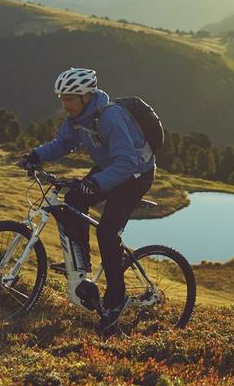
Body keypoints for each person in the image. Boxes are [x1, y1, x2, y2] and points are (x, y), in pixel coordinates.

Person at [20, 67, 156, 334]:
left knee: (107, 233)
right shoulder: (77, 118)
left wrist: (95, 183)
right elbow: (62, 143)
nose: (64, 103)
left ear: (85, 96)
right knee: (73, 200)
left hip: (136, 173)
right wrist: (36, 155)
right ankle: (80, 265)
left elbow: (127, 162)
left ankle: (115, 302)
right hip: (111, 167)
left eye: (69, 98)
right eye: (62, 98)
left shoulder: (110, 117)